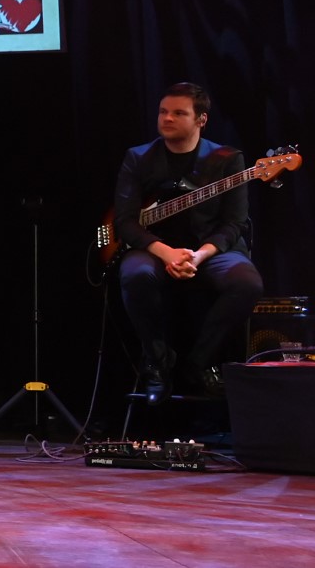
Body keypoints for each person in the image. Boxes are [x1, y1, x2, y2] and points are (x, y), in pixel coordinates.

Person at [113, 82, 264, 402]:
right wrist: (166, 252)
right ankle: (157, 362)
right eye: (163, 112)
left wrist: (199, 255)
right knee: (136, 274)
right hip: (154, 248)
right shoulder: (138, 158)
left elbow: (234, 223)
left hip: (210, 249)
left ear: (201, 119)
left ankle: (199, 363)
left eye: (178, 113)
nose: (167, 118)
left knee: (246, 283)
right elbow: (125, 221)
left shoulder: (227, 159)